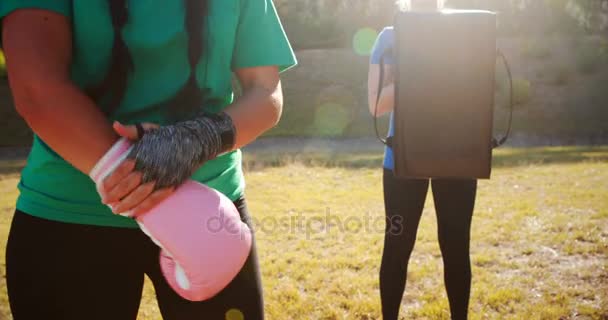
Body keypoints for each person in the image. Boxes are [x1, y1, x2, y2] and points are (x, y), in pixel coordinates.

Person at [1, 0, 296, 319]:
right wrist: (140, 172)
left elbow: (266, 91)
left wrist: (197, 140)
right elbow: (37, 88)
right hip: (71, 217)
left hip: (210, 218)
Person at [367, 0, 478, 319]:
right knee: (398, 248)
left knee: (456, 248)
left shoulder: (466, 31)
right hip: (403, 157)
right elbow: (375, 105)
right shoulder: (389, 37)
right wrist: (419, 71)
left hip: (457, 155)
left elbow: (479, 91)